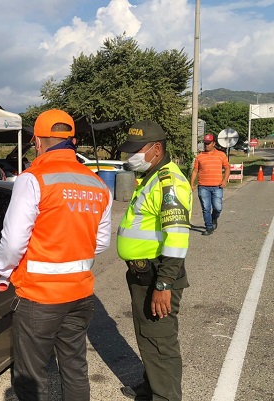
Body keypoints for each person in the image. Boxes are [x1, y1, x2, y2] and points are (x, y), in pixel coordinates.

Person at [0, 109, 112, 401]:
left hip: (40, 297)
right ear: (72, 140)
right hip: (81, 294)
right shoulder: (96, 183)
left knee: (31, 377)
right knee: (74, 367)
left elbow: (13, 242)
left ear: (38, 141)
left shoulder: (33, 179)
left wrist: (3, 270)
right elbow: (101, 242)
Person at [116, 120, 192, 401]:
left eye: (137, 150)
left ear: (156, 149)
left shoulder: (169, 183)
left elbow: (177, 237)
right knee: (147, 336)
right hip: (142, 274)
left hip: (158, 274)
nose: (130, 156)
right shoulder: (149, 177)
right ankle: (151, 387)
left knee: (161, 343)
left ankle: (166, 396)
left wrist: (164, 284)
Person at [189, 133, 231, 236]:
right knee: (206, 208)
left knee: (218, 208)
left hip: (217, 186)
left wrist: (225, 180)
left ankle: (214, 219)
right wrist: (191, 184)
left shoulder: (221, 155)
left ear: (214, 143)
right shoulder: (200, 156)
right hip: (203, 186)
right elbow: (195, 171)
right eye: (205, 143)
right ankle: (209, 227)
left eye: (208, 143)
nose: (206, 145)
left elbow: (227, 168)